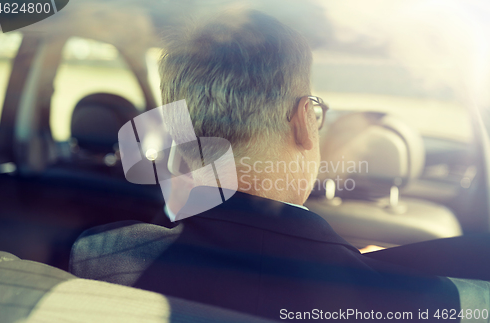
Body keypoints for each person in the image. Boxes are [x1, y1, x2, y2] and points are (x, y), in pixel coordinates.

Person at [70, 10, 489, 321]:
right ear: (305, 121)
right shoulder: (429, 304)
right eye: (317, 112)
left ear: (180, 134)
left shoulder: (98, 261)